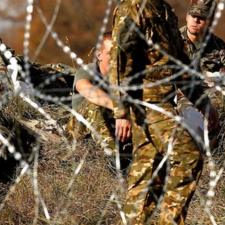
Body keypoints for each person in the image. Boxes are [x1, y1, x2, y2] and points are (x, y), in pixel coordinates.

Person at [110, 0, 205, 224]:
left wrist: (201, 99)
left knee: (147, 177)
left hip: (165, 100)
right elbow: (119, 61)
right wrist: (121, 111)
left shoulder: (164, 10)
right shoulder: (132, 8)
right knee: (188, 153)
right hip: (145, 102)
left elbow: (178, 63)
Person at [67, 32, 131, 174]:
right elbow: (87, 90)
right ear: (99, 54)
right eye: (110, 53)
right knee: (95, 106)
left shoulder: (125, 77)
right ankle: (115, 163)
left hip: (115, 129)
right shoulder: (88, 71)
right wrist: (121, 109)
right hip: (80, 132)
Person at [181, 0, 225, 75]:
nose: (196, 20)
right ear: (187, 16)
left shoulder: (220, 48)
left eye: (201, 17)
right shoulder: (173, 40)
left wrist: (215, 78)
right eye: (193, 15)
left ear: (210, 22)